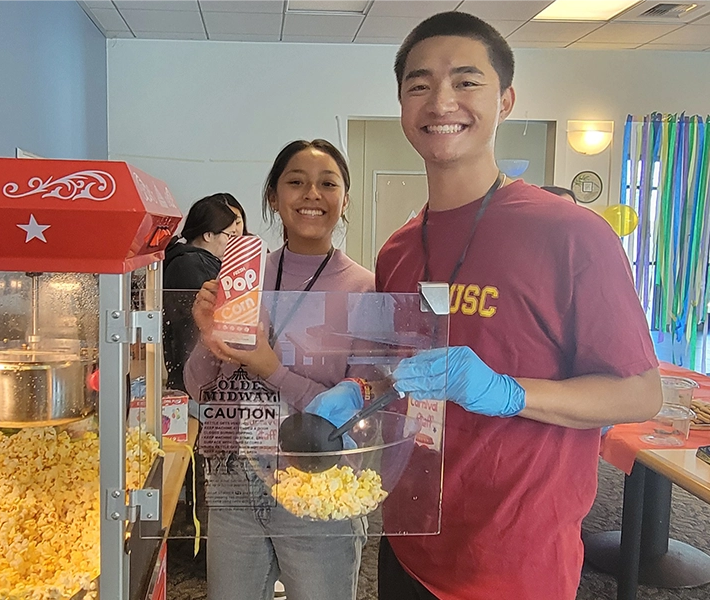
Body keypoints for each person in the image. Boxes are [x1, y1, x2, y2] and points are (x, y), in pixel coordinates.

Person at [308, 12, 662, 600]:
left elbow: (639, 393)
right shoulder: (398, 248)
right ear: (402, 106)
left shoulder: (572, 234)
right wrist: (359, 393)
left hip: (515, 564)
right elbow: (397, 373)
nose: (441, 100)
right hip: (408, 542)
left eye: (467, 81)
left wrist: (509, 392)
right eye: (419, 85)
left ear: (506, 100)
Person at [184, 139, 374, 600]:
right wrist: (209, 337)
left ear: (344, 199)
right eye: (296, 182)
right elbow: (197, 385)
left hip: (317, 485)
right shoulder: (243, 276)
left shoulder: (366, 289)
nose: (312, 194)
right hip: (234, 478)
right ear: (272, 195)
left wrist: (272, 367)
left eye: (327, 183)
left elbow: (360, 418)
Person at [162, 194, 241, 391]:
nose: (234, 242)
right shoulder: (193, 265)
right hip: (199, 375)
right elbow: (218, 319)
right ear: (208, 235)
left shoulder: (185, 259)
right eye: (230, 236)